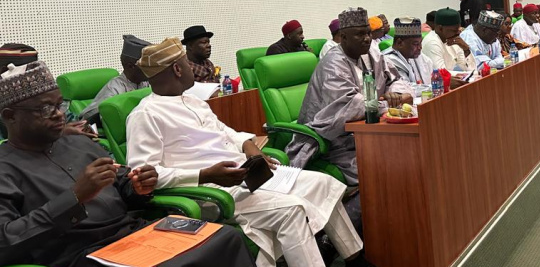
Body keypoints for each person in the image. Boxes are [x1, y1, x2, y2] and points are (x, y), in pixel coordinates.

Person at [126, 38, 371, 267]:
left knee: (323, 183)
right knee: (291, 210)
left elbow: (226, 132)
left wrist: (250, 147)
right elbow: (143, 176)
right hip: (210, 192)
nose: (192, 68)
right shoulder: (145, 115)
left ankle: (354, 257)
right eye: (186, 64)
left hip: (245, 175)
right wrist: (205, 175)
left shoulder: (194, 102)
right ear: (178, 70)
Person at [0, 61, 254, 267]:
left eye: (59, 105)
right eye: (46, 109)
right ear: (10, 117)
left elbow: (122, 183)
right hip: (84, 252)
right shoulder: (5, 168)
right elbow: (6, 241)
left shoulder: (79, 143)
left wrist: (139, 186)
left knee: (223, 237)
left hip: (134, 231)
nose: (59, 115)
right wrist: (75, 198)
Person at [286, 7, 413, 185]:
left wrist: (396, 94)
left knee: (409, 153)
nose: (367, 38)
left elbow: (394, 78)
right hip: (335, 142)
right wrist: (390, 105)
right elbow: (350, 107)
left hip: (369, 132)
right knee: (388, 167)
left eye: (368, 33)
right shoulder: (333, 63)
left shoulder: (371, 54)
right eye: (360, 34)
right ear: (343, 37)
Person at [79, 35, 151, 124]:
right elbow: (88, 117)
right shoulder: (114, 89)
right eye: (146, 65)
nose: (151, 69)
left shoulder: (146, 82)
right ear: (130, 66)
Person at [422, 8, 477, 72]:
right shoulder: (432, 42)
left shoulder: (452, 40)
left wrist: (466, 49)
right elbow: (441, 74)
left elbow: (472, 70)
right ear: (440, 28)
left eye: (459, 29)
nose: (458, 33)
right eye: (454, 30)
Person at [382, 17, 434, 85]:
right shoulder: (388, 61)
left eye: (420, 43)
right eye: (415, 44)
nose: (420, 47)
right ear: (399, 43)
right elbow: (403, 88)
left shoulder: (417, 56)